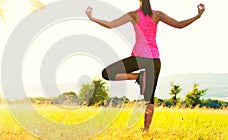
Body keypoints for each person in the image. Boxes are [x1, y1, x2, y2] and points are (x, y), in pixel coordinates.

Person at [85, 0, 205, 132]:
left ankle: (138, 76)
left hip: (139, 58)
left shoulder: (133, 15)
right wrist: (198, 15)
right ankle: (146, 130)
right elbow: (179, 25)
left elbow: (110, 25)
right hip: (154, 60)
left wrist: (92, 18)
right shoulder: (157, 15)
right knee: (149, 98)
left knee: (107, 73)